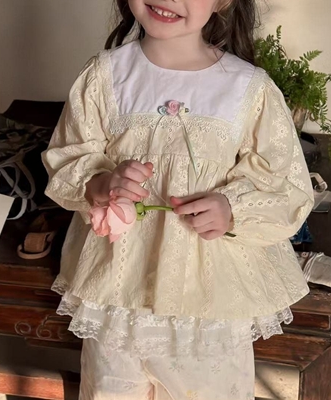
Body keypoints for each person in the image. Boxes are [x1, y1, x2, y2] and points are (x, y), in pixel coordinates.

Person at [42, 0, 314, 398]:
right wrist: (103, 182)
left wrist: (231, 209)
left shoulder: (248, 87)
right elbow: (68, 157)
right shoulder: (104, 75)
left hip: (208, 303)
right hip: (120, 292)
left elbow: (285, 184)